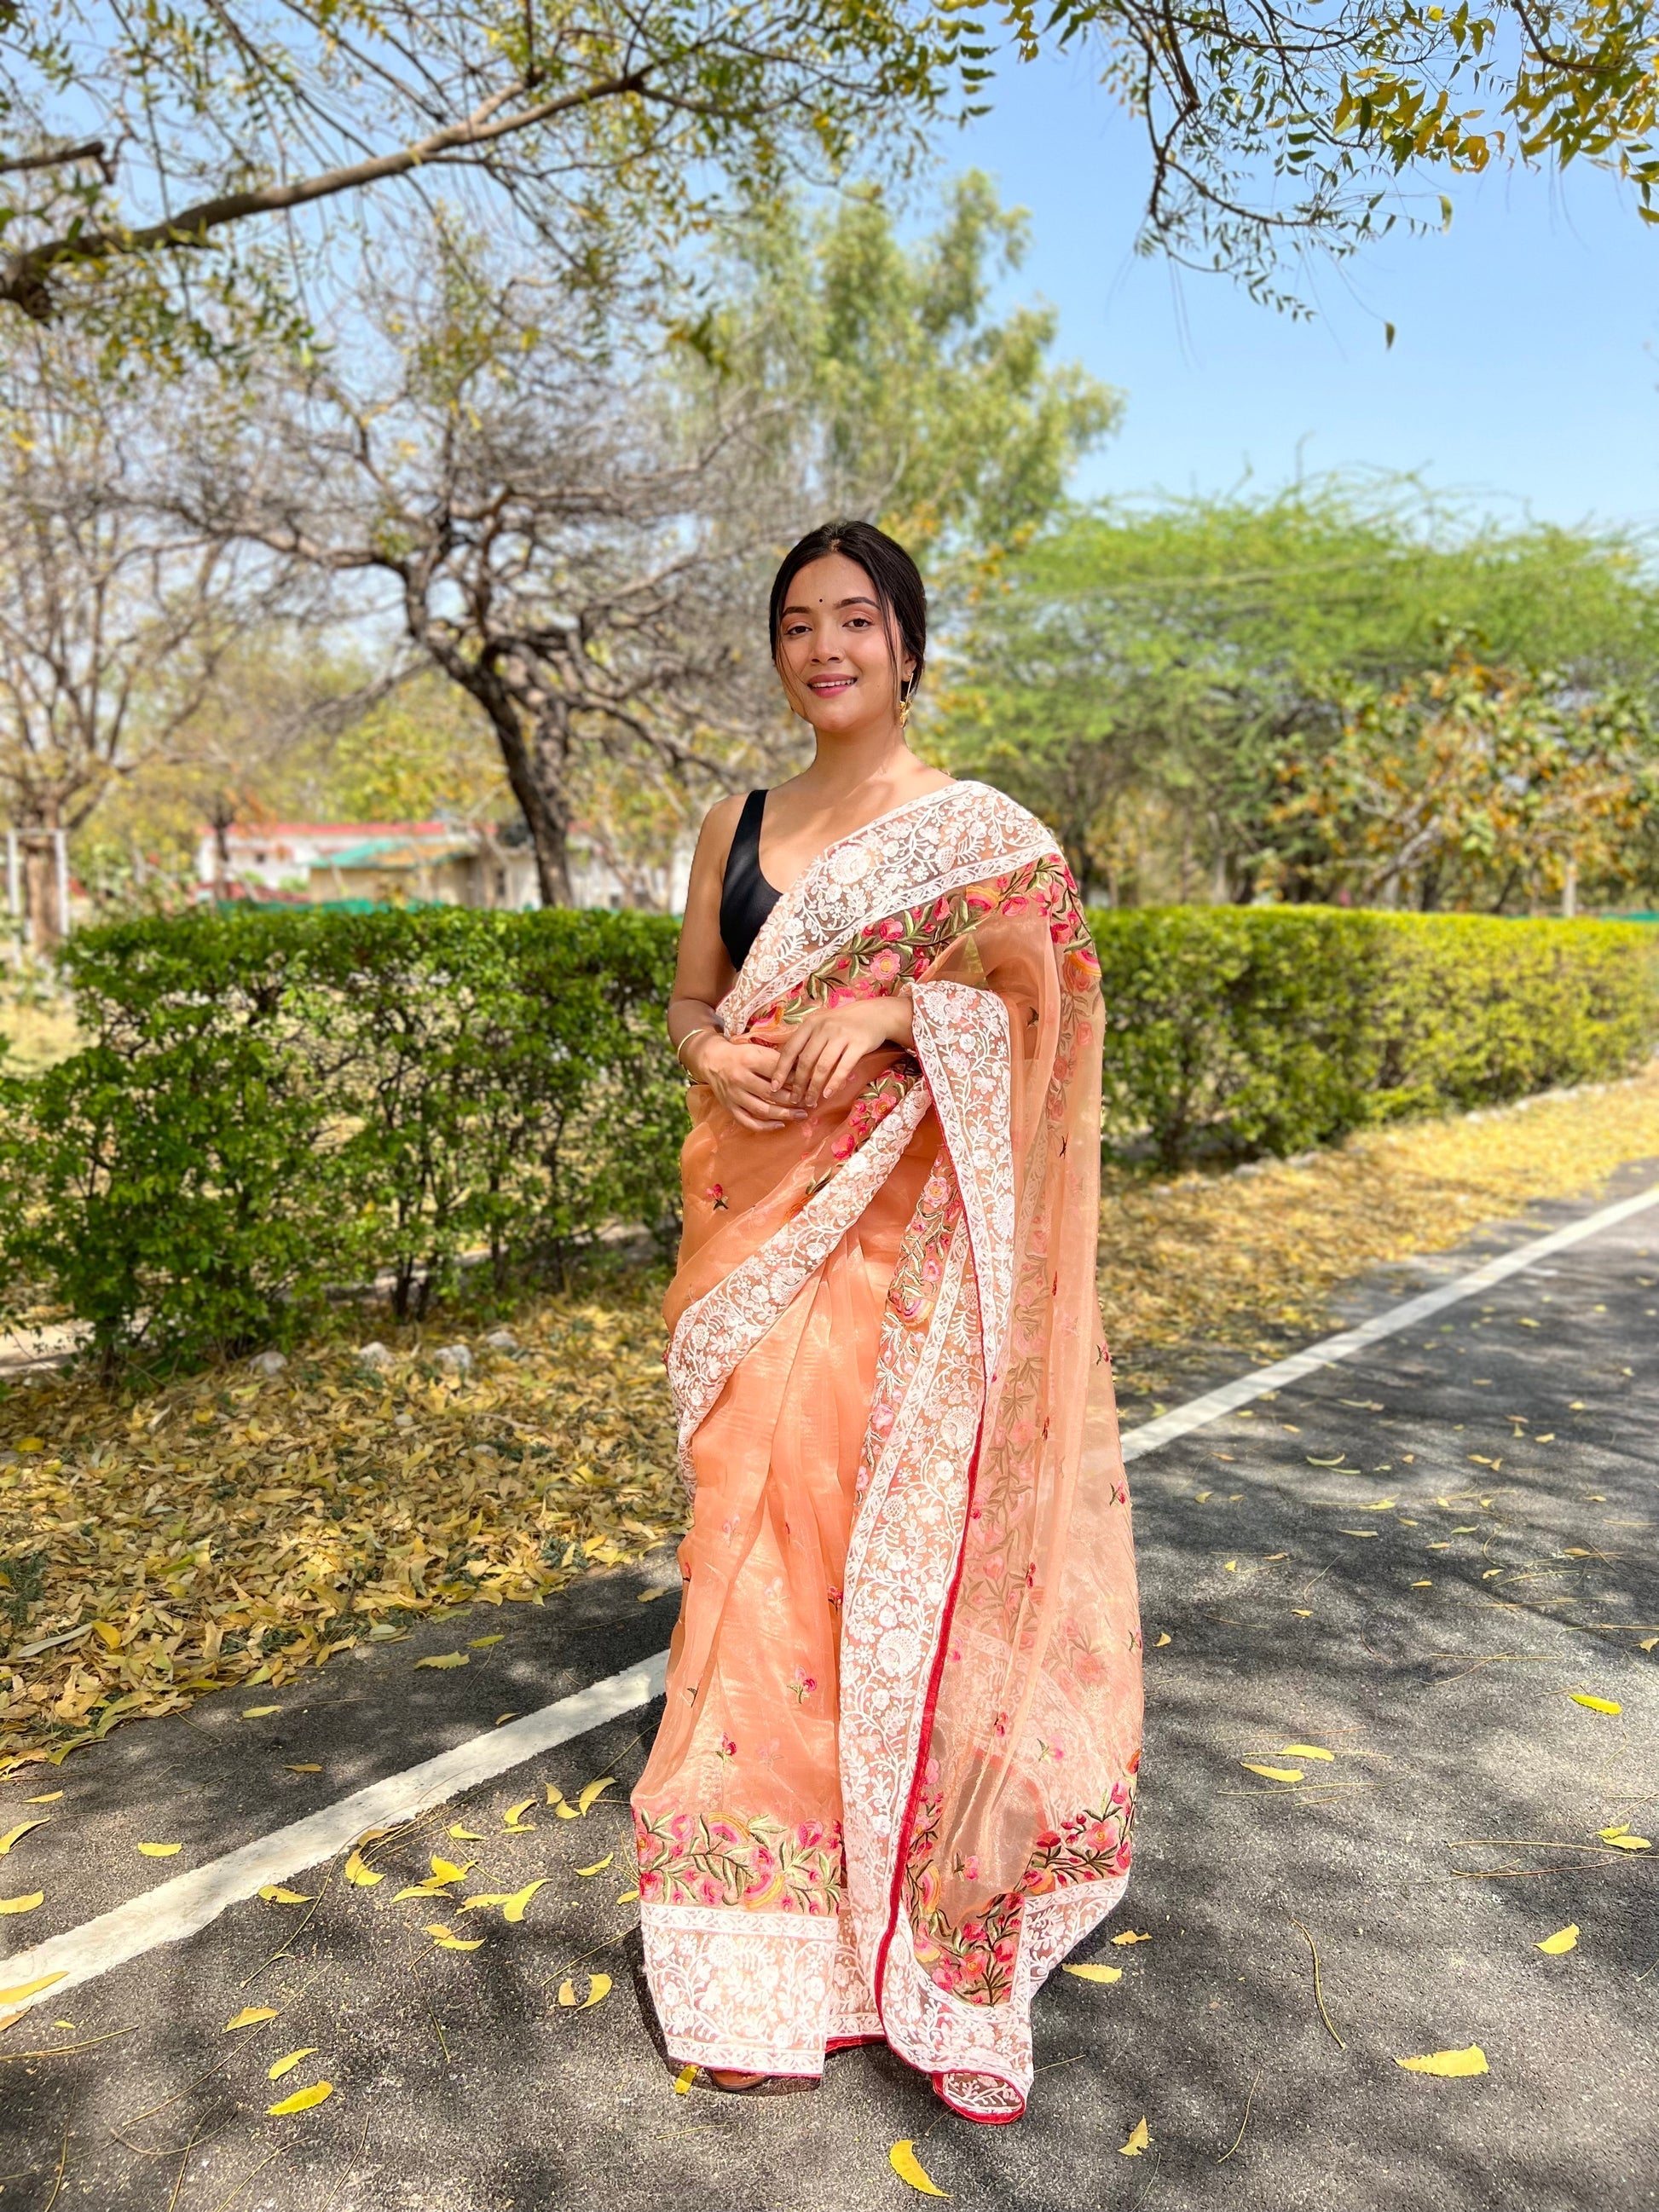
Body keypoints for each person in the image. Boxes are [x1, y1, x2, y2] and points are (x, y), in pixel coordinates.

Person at [629, 518, 1142, 2123]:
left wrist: (898, 1013)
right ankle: (754, 1944)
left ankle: (917, 1932)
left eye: (856, 619)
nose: (825, 647)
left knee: (879, 1564)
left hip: (911, 1270)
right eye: (797, 623)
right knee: (753, 1562)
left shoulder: (985, 839)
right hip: (755, 1239)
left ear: (908, 644)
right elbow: (694, 1004)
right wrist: (713, 1056)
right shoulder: (738, 818)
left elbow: (1048, 1017)